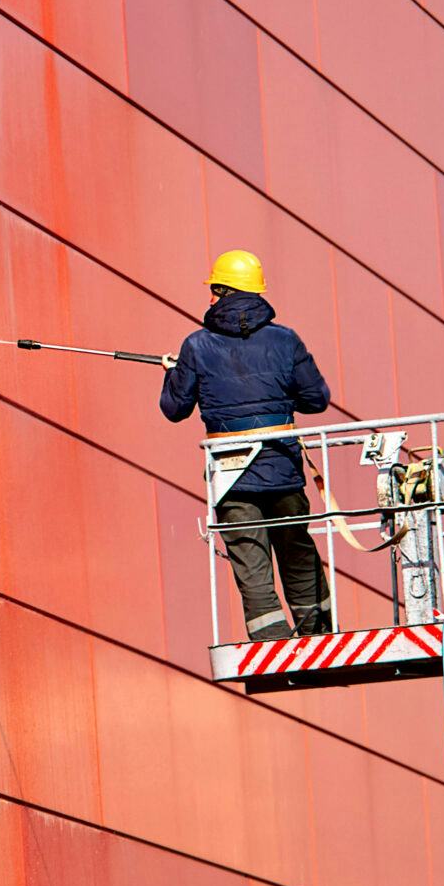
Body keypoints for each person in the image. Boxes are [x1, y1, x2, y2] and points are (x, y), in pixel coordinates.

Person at [159, 249, 335, 640]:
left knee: (249, 554)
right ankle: (316, 631)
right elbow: (316, 399)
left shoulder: (196, 346)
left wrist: (173, 375)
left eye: (212, 290)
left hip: (231, 472)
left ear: (223, 291)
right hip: (283, 468)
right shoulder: (286, 340)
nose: (209, 297)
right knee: (295, 546)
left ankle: (270, 640)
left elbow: (174, 408)